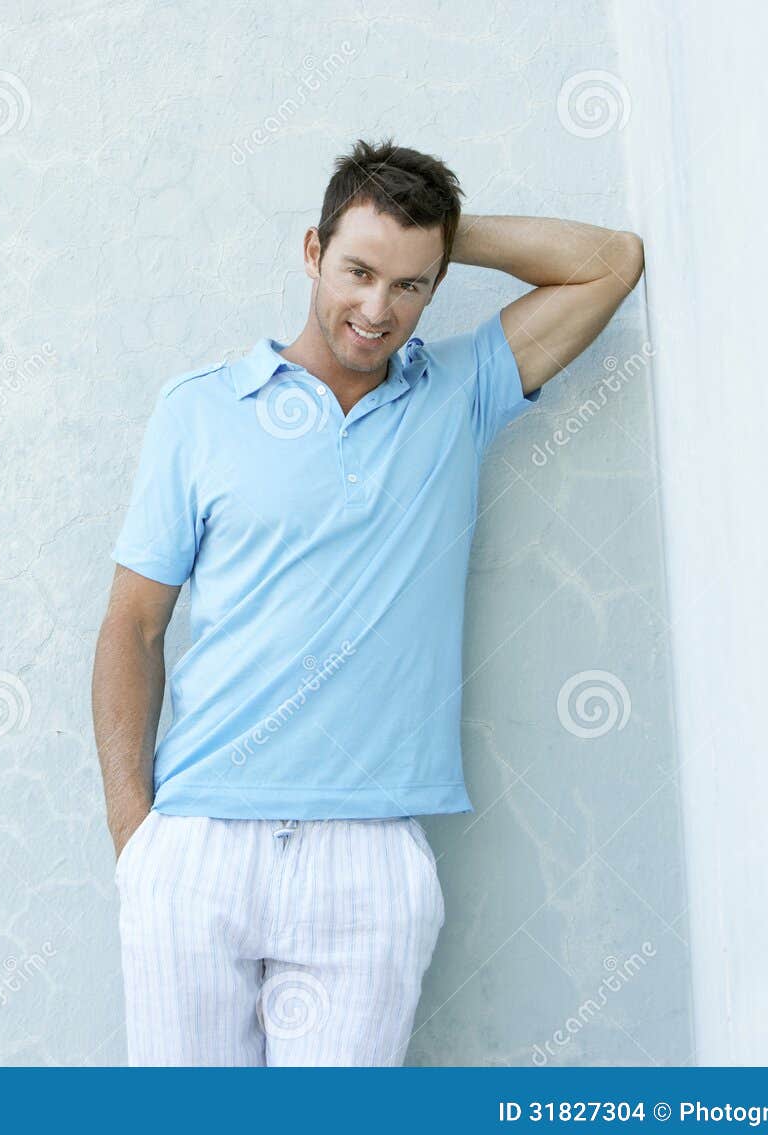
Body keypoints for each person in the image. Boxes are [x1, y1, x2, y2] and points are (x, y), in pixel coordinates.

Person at [90, 138, 644, 1066]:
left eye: (409, 285)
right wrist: (135, 840)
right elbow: (132, 626)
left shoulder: (461, 392)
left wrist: (444, 238)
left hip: (370, 854)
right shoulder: (199, 410)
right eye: (357, 270)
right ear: (313, 252)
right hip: (198, 842)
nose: (376, 309)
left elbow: (611, 262)